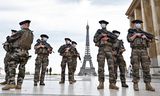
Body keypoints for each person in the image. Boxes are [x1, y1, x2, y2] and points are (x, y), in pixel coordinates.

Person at [2, 20, 34, 90]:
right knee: (22, 68)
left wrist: (8, 39)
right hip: (26, 53)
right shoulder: (31, 34)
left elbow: (11, 39)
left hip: (17, 52)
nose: (21, 26)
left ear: (25, 25)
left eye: (22, 25)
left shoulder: (21, 31)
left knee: (11, 66)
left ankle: (11, 83)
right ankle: (19, 84)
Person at [127, 19, 155, 91]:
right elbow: (129, 39)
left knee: (146, 68)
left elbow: (150, 42)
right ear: (134, 24)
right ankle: (135, 84)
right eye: (137, 23)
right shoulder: (131, 32)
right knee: (135, 68)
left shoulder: (144, 33)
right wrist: (136, 35)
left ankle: (148, 84)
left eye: (139, 23)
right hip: (135, 51)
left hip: (144, 51)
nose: (138, 24)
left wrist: (146, 38)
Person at [93, 20, 119, 90]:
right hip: (101, 50)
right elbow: (95, 40)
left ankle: (112, 83)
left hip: (109, 50)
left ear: (106, 25)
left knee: (111, 67)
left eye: (104, 24)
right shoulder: (98, 32)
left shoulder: (109, 33)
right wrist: (101, 36)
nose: (103, 25)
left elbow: (115, 39)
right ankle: (101, 83)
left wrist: (108, 38)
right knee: (101, 67)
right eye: (101, 24)